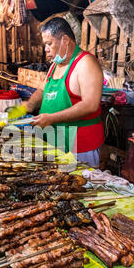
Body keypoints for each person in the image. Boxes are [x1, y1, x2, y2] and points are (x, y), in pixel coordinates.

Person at [21, 17, 105, 167]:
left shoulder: (86, 64)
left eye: (49, 44)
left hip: (80, 146)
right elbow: (43, 89)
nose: (46, 49)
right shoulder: (56, 64)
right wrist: (28, 105)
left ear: (65, 40)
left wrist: (51, 118)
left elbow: (90, 105)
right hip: (54, 141)